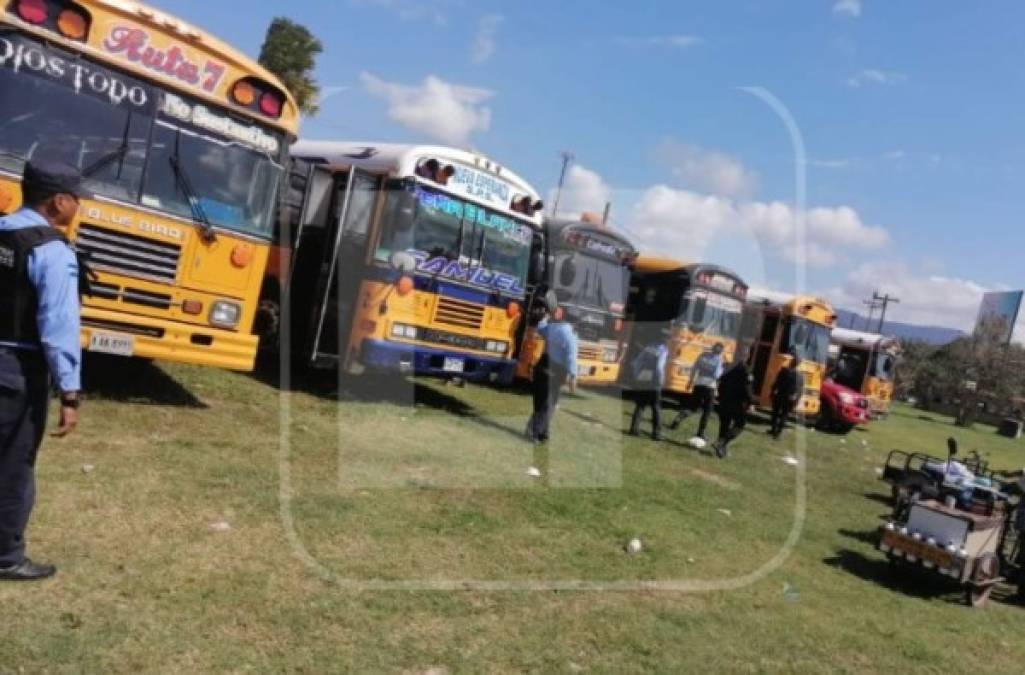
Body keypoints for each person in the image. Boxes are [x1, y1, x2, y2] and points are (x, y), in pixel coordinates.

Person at [0, 160, 87, 581]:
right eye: (78, 200)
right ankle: (6, 556)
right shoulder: (51, 251)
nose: (80, 207)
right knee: (14, 465)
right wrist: (69, 392)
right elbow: (58, 329)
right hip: (16, 370)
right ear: (59, 201)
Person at [525, 291, 578, 443]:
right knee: (549, 404)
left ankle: (542, 433)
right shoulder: (570, 334)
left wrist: (544, 318)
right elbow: (571, 357)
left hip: (542, 365)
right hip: (557, 370)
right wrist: (573, 376)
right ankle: (536, 432)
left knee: (541, 401)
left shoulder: (553, 327)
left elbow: (540, 329)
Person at [668, 343, 725, 439]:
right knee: (707, 411)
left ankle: (679, 418)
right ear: (720, 352)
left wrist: (690, 381)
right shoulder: (719, 360)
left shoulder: (703, 355)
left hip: (698, 384)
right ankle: (700, 432)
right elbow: (717, 375)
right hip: (709, 386)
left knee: (692, 406)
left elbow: (694, 368)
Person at [712, 348, 755, 459]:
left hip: (725, 399)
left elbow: (721, 381)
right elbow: (747, 388)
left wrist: (720, 396)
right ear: (747, 356)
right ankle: (722, 442)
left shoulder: (729, 367)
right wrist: (750, 402)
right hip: (737, 402)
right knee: (740, 424)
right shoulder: (746, 370)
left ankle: (721, 451)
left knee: (724, 424)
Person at [628, 326, 669, 440]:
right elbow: (659, 367)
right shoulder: (663, 349)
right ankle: (656, 434)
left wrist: (636, 376)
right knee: (656, 407)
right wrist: (660, 380)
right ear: (666, 339)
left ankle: (633, 429)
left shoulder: (648, 346)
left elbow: (638, 362)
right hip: (654, 379)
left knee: (640, 405)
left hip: (643, 376)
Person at [769, 351, 802, 439]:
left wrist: (772, 391)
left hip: (781, 395)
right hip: (791, 398)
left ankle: (774, 429)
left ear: (792, 361)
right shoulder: (800, 376)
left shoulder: (784, 370)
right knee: (784, 415)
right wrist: (797, 400)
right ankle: (778, 432)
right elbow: (800, 390)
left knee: (775, 413)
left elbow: (777, 382)